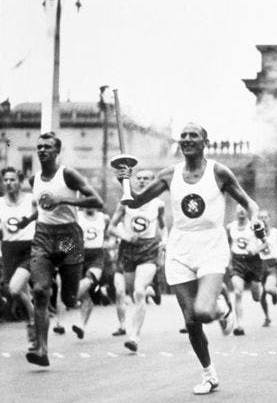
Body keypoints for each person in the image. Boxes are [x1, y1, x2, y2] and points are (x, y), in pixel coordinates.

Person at [114, 123, 260, 394]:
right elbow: (134, 201)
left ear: (206, 141)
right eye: (183, 136)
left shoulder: (219, 172)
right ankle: (209, 374)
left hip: (211, 245)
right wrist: (123, 178)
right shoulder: (170, 174)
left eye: (194, 135)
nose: (187, 139)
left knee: (204, 311)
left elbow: (248, 202)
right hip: (180, 247)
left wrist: (255, 219)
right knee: (191, 320)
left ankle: (222, 310)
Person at [21, 132, 104, 367]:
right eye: (39, 147)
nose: (42, 150)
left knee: (68, 298)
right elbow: (44, 209)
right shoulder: (34, 179)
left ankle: (85, 288)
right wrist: (28, 220)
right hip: (44, 237)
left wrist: (65, 201)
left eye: (47, 147)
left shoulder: (67, 174)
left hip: (69, 238)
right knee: (39, 291)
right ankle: (42, 349)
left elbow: (97, 201)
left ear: (57, 151)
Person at [108, 170, 166, 349]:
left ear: (152, 182)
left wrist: (165, 241)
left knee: (138, 292)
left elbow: (163, 227)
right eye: (139, 178)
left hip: (148, 248)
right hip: (128, 249)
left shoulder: (158, 204)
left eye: (146, 179)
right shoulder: (126, 202)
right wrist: (125, 236)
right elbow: (111, 227)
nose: (141, 181)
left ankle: (134, 336)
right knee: (133, 291)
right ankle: (149, 289)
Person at [0, 167, 36, 348]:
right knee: (20, 291)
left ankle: (32, 323)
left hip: (28, 248)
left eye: (12, 180)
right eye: (5, 180)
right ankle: (33, 320)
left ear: (20, 182)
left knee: (15, 289)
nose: (8, 183)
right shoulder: (0, 204)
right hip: (9, 250)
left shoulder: (30, 200)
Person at [71, 208, 110, 339]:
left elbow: (107, 233)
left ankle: (71, 298)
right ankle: (82, 326)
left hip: (96, 256)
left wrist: (106, 242)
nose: (91, 205)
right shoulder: (77, 216)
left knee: (89, 280)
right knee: (86, 296)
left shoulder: (104, 218)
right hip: (79, 255)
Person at [249, 210, 277, 327]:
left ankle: (274, 293)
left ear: (269, 218)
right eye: (260, 218)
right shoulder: (255, 235)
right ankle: (267, 317)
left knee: (268, 289)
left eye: (265, 217)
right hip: (260, 265)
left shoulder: (276, 233)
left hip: (272, 264)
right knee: (261, 295)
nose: (263, 220)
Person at [227, 205, 261, 335]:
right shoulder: (230, 227)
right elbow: (227, 244)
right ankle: (239, 325)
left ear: (248, 212)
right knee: (237, 292)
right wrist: (228, 260)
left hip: (253, 262)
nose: (241, 211)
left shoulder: (255, 225)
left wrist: (255, 250)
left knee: (256, 297)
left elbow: (264, 243)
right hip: (238, 262)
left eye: (244, 209)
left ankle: (260, 290)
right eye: (239, 209)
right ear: (236, 212)